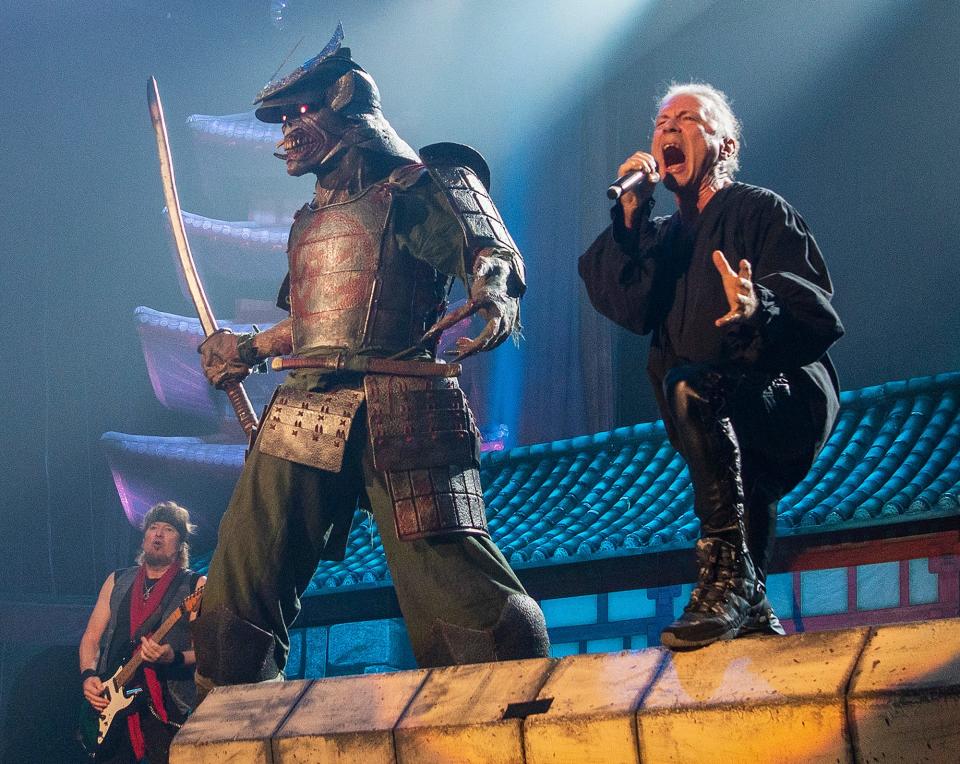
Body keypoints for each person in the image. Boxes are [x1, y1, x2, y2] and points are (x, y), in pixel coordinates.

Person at [191, 28, 549, 694]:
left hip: (403, 400)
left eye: (300, 113)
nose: (287, 132)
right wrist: (244, 348)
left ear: (347, 102)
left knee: (467, 609)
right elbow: (315, 323)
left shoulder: (426, 183)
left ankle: (504, 711)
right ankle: (233, 724)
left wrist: (495, 288)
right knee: (238, 587)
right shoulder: (311, 219)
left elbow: (491, 254)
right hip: (306, 402)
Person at [579, 83, 843, 649]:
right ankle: (749, 605)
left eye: (687, 120)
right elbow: (627, 304)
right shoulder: (662, 240)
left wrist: (758, 307)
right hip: (707, 400)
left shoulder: (759, 211)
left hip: (780, 385)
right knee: (721, 443)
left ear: (724, 145)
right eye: (661, 120)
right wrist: (629, 217)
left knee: (696, 388)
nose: (668, 129)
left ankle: (724, 580)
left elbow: (815, 312)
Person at [79, 502, 204, 763]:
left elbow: (207, 651)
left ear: (181, 543)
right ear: (144, 535)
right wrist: (88, 675)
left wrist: (174, 657)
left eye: (168, 529)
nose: (158, 534)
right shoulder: (116, 580)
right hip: (112, 704)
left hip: (167, 709)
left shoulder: (194, 585)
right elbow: (91, 638)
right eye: (153, 527)